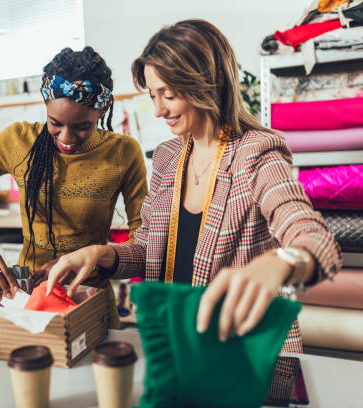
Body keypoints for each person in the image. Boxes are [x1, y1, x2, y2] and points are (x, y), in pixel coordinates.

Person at [45, 20, 341, 352]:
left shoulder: (255, 154)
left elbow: (313, 236)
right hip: (178, 345)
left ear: (206, 84)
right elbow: (147, 251)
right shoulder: (168, 157)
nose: (158, 110)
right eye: (153, 95)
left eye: (168, 95)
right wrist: (100, 254)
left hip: (243, 353)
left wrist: (281, 262)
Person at [0, 47, 148, 315]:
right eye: (55, 122)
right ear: (45, 106)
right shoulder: (16, 142)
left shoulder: (123, 152)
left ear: (102, 109)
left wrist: (89, 260)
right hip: (28, 298)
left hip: (87, 300)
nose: (66, 137)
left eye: (82, 126)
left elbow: (143, 244)